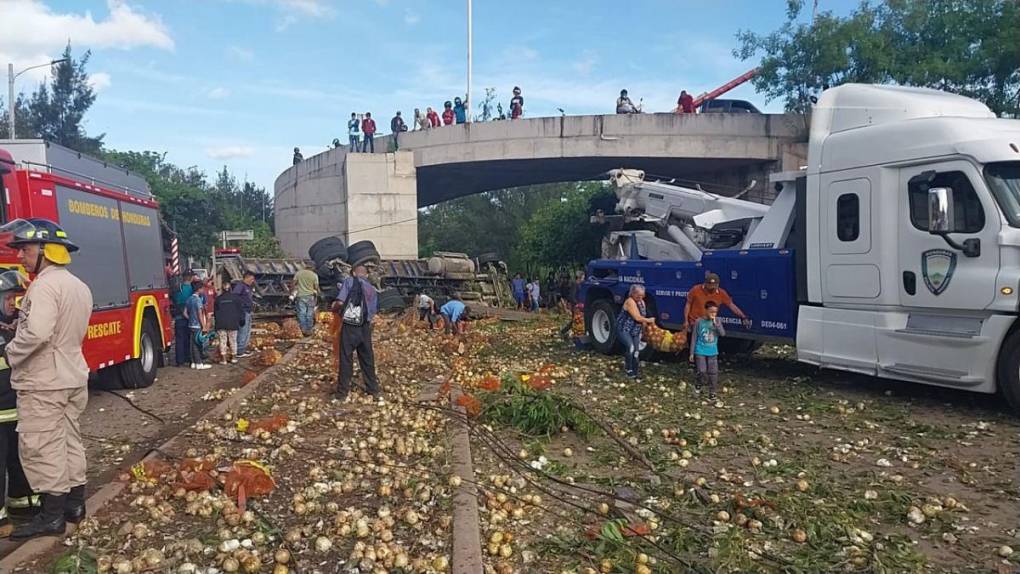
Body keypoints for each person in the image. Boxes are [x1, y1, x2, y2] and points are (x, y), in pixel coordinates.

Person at [2, 219, 92, 540]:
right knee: (69, 440)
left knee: (42, 445)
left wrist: (13, 350)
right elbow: (61, 331)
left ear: (45, 251)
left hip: (44, 382)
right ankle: (75, 505)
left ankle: (51, 517)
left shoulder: (42, 286)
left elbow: (39, 333)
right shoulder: (78, 286)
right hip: (71, 376)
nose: (20, 257)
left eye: (25, 249)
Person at [0, 270, 38, 536]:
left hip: (15, 408)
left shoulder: (10, 327)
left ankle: (24, 502)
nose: (13, 303)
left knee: (19, 458)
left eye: (15, 298)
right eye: (9, 298)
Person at [332, 266, 380, 401]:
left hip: (350, 326)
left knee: (346, 358)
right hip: (365, 327)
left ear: (353, 273)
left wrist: (334, 308)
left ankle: (342, 394)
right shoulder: (372, 289)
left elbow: (340, 302)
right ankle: (374, 390)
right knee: (367, 359)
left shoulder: (349, 281)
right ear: (365, 274)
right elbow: (373, 311)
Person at [683, 272, 750, 361]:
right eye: (710, 286)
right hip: (696, 321)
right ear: (705, 284)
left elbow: (731, 305)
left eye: (714, 286)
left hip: (709, 322)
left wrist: (743, 316)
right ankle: (697, 363)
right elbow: (688, 304)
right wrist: (686, 320)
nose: (712, 288)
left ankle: (705, 362)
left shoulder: (721, 293)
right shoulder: (695, 290)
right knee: (697, 342)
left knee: (708, 342)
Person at [616, 284, 655, 378]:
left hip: (636, 331)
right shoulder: (630, 302)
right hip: (624, 329)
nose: (640, 297)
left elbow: (642, 316)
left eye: (642, 295)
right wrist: (649, 320)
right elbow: (637, 317)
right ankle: (628, 370)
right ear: (633, 293)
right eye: (638, 295)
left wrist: (645, 330)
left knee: (637, 351)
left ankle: (635, 371)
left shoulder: (642, 303)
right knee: (631, 347)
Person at [693, 301, 724, 400]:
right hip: (700, 349)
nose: (713, 314)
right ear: (706, 310)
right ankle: (698, 383)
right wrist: (691, 352)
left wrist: (717, 325)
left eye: (715, 312)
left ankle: (712, 392)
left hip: (712, 350)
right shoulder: (699, 321)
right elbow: (694, 337)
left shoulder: (718, 321)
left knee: (713, 372)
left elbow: (722, 334)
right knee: (702, 370)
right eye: (711, 312)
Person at [171, 269, 196, 367]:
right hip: (190, 318)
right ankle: (188, 358)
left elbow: (174, 300)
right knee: (189, 339)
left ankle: (179, 361)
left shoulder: (178, 288)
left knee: (179, 340)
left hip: (178, 317)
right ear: (191, 277)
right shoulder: (192, 289)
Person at [213, 284, 243, 364]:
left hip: (221, 323)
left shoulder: (218, 299)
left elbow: (215, 313)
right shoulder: (236, 298)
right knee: (233, 340)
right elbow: (240, 311)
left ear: (222, 290)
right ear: (230, 289)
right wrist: (241, 321)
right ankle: (234, 358)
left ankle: (223, 359)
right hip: (233, 323)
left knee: (222, 340)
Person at [185, 279, 212, 370]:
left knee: (192, 344)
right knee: (198, 344)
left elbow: (185, 312)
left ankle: (193, 362)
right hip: (197, 325)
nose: (203, 290)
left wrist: (190, 319)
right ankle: (199, 363)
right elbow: (200, 314)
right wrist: (203, 326)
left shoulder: (189, 299)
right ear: (199, 289)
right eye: (202, 288)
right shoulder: (198, 300)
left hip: (190, 325)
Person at [232, 272, 256, 358]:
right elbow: (235, 297)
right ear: (247, 277)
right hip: (243, 311)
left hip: (249, 311)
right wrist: (241, 306)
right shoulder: (240, 286)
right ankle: (239, 350)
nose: (253, 281)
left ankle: (243, 348)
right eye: (252, 279)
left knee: (247, 331)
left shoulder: (248, 287)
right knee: (243, 330)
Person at [293, 263, 320, 336]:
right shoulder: (314, 275)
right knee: (309, 313)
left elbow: (293, 283)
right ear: (312, 268)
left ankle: (303, 329)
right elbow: (316, 287)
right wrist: (319, 293)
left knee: (302, 312)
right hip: (310, 297)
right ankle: (309, 329)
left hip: (301, 296)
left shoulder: (299, 273)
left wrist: (291, 292)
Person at [558, 271, 584, 339]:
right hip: (575, 306)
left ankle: (564, 332)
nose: (583, 279)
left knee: (575, 320)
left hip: (578, 305)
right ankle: (565, 332)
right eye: (583, 277)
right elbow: (572, 296)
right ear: (579, 277)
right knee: (575, 320)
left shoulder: (579, 284)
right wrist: (576, 304)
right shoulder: (575, 284)